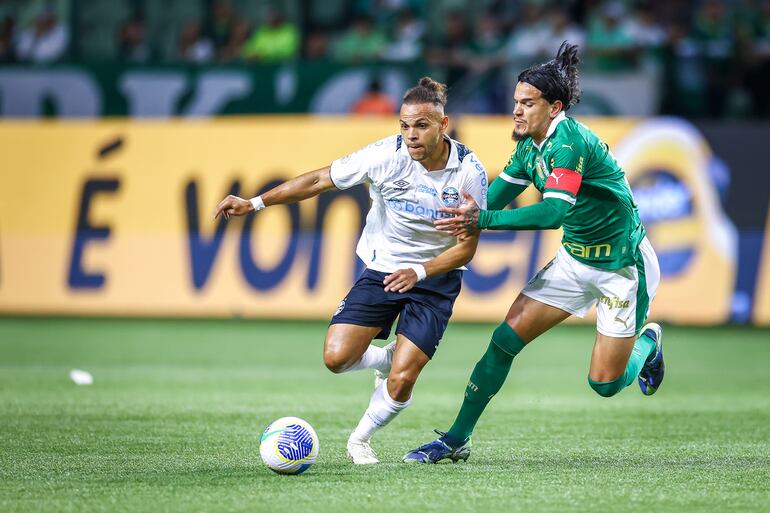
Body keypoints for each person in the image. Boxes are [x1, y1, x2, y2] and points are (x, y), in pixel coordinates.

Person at [403, 43, 664, 464]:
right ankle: (456, 439)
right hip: (575, 260)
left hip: (621, 267)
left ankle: (647, 344)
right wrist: (455, 216)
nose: (517, 112)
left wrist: (482, 220)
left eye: (527, 103)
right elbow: (493, 197)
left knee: (605, 384)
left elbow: (554, 212)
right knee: (503, 341)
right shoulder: (529, 146)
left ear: (554, 106)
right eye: (515, 103)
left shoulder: (569, 142)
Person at [213, 77, 489, 464]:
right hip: (381, 269)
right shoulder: (383, 155)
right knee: (336, 358)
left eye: (422, 125)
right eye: (405, 125)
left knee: (404, 377)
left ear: (444, 125)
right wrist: (255, 203)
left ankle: (360, 440)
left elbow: (466, 249)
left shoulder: (468, 172)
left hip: (435, 279)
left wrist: (420, 272)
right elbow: (317, 179)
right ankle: (385, 357)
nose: (411, 135)